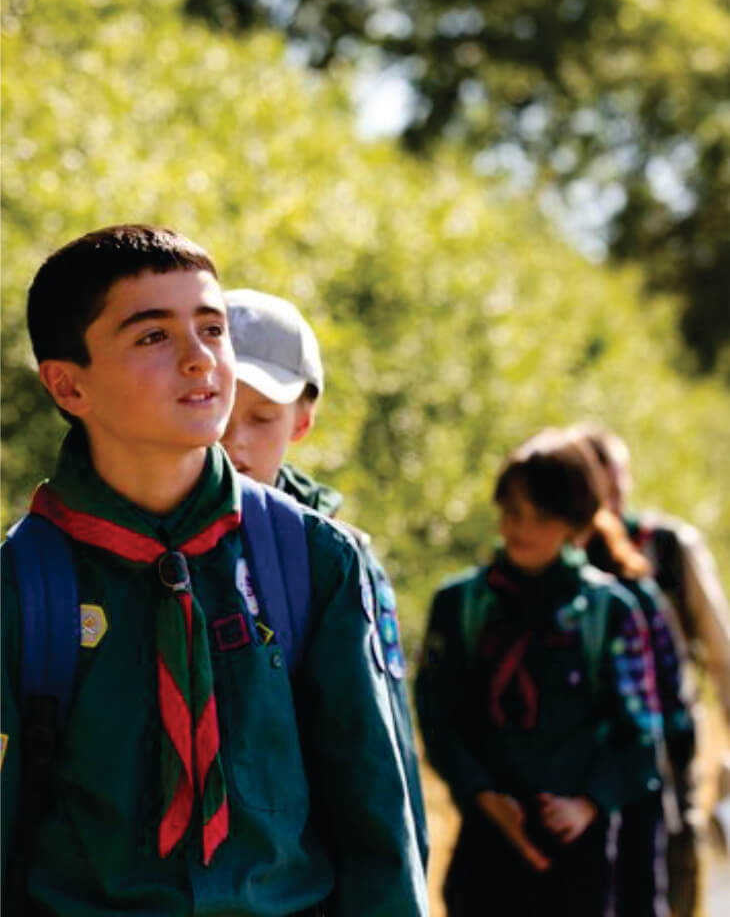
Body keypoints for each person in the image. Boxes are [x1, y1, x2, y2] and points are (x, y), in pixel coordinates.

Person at [0, 225, 428, 917]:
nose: (201, 360)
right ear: (67, 385)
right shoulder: (23, 585)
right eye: (152, 337)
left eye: (212, 329)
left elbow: (377, 820)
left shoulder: (312, 559)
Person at [220, 288, 428, 871]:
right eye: (219, 408)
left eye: (261, 418)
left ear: (304, 418)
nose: (234, 440)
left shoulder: (334, 559)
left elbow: (382, 764)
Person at [415, 428, 662, 917]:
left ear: (577, 525)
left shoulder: (608, 612)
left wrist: (589, 803)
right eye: (510, 512)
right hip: (485, 848)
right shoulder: (461, 605)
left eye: (540, 516)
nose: (519, 528)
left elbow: (641, 737)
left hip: (580, 854)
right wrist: (482, 795)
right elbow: (437, 714)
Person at [579, 424, 730, 917]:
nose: (613, 494)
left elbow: (720, 650)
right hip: (584, 758)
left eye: (618, 479)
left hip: (671, 747)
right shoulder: (562, 555)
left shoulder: (669, 546)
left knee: (675, 866)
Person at [578, 496, 695, 917]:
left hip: (630, 794)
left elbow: (658, 712)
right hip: (562, 813)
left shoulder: (629, 600)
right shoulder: (510, 597)